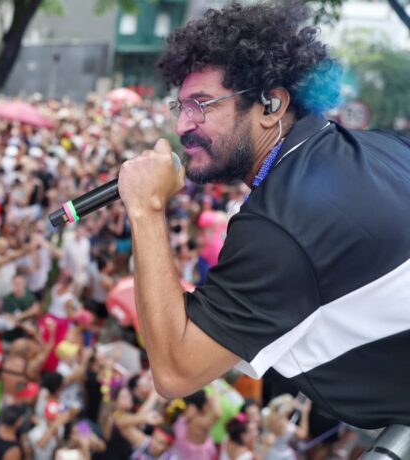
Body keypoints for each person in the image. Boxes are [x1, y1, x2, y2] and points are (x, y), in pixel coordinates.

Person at [116, 0, 410, 427]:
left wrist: (146, 208)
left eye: (202, 104)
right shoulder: (384, 147)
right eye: (181, 107)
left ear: (271, 105)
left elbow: (176, 370)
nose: (182, 126)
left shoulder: (280, 224)